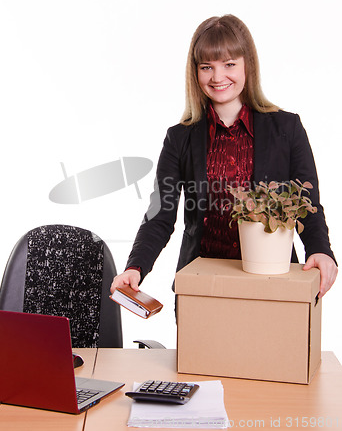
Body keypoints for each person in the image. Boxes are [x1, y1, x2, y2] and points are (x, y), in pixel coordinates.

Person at [110, 15, 337, 298]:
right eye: (207, 67)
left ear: (247, 65)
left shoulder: (287, 128)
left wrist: (320, 250)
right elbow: (160, 215)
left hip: (274, 284)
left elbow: (307, 204)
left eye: (229, 64)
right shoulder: (179, 138)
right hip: (201, 287)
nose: (218, 78)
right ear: (195, 72)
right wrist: (136, 267)